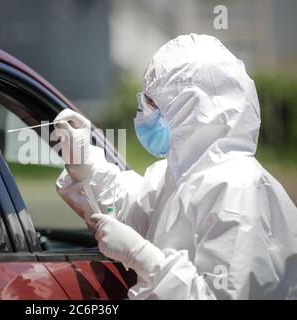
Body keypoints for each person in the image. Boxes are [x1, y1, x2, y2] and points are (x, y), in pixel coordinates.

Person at [53, 34, 297, 299]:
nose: (144, 114)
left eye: (153, 103)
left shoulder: (239, 189)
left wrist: (143, 258)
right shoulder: (179, 176)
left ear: (189, 106)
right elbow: (128, 207)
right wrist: (86, 164)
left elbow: (222, 296)